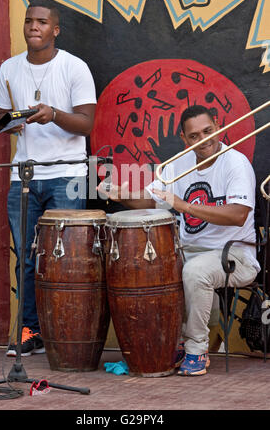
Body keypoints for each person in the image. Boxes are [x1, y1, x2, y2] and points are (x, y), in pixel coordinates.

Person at [98, 104, 260, 376]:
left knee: (195, 272)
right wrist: (118, 193)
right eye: (194, 136)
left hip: (236, 255)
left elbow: (238, 214)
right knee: (149, 267)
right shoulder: (179, 164)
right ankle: (161, 346)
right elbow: (151, 200)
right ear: (184, 139)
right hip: (190, 251)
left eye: (208, 131)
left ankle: (196, 349)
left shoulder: (236, 163)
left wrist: (185, 207)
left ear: (218, 126)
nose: (203, 140)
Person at [0, 0, 97, 356]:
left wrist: (52, 114)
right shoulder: (8, 69)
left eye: (41, 22)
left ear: (55, 30)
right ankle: (29, 334)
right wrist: (15, 120)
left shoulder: (75, 67)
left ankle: (65, 334)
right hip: (23, 177)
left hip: (67, 174)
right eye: (28, 21)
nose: (33, 27)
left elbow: (86, 123)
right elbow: (2, 122)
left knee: (65, 259)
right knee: (25, 258)